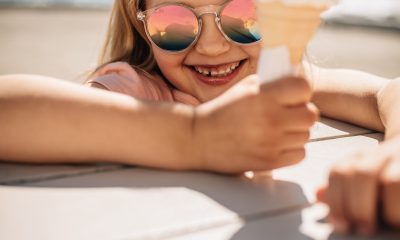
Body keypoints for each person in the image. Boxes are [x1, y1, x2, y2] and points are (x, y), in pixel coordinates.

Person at [0, 0, 399, 234]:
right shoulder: (139, 89)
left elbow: (385, 90)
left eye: (243, 16)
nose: (210, 46)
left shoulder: (278, 78)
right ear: (141, 27)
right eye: (174, 23)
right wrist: (194, 137)